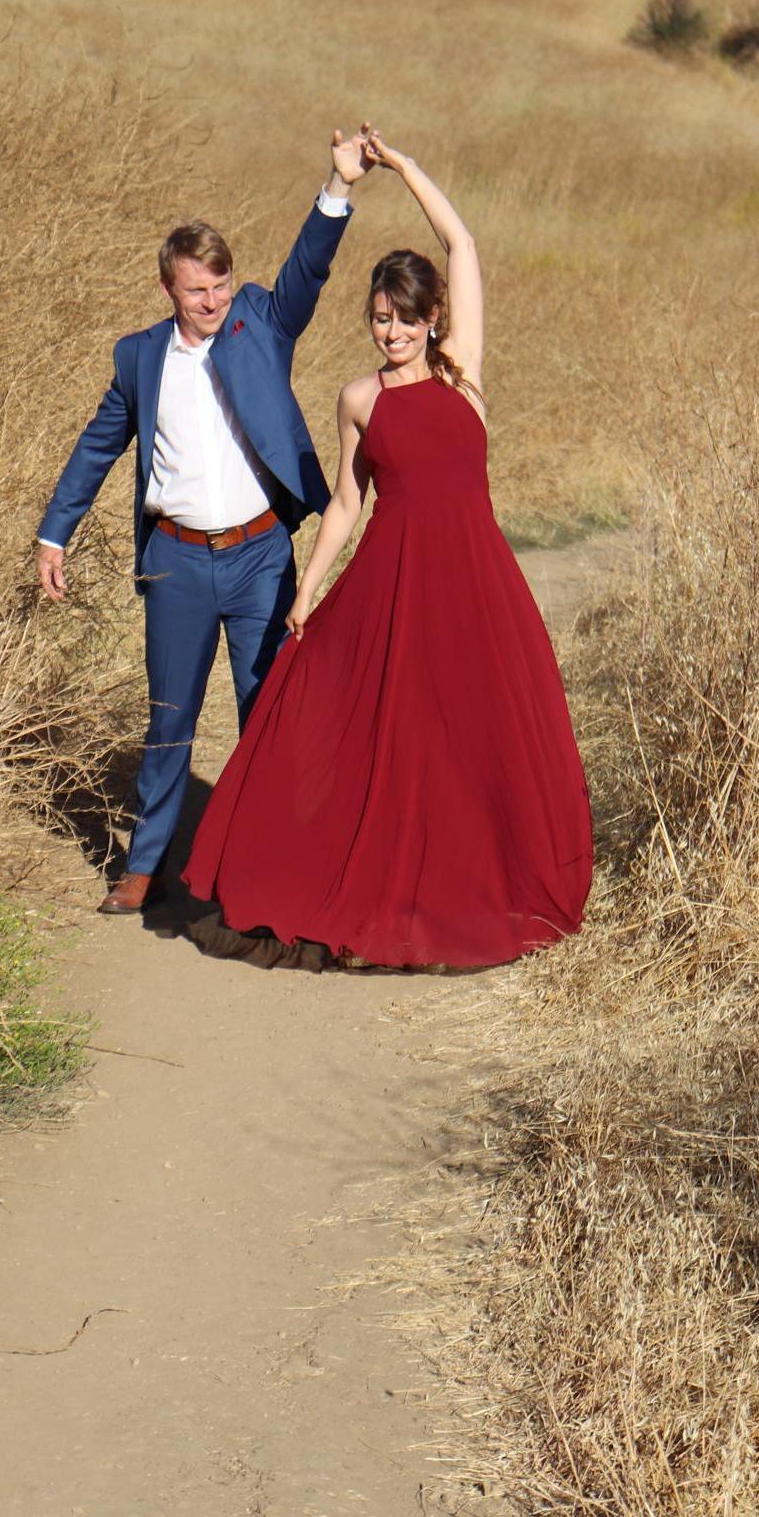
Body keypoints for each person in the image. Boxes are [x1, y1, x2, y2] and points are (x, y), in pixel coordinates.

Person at [179, 127, 594, 969]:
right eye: (379, 319)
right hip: (393, 585)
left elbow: (462, 242)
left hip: (475, 582)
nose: (391, 332)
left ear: (431, 317)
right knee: (383, 736)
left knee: (481, 735)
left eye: (405, 319)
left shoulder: (462, 372)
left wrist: (400, 168)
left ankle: (484, 878)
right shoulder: (358, 398)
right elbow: (343, 503)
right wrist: (307, 594)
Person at [36, 130, 372, 914]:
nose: (213, 299)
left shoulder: (262, 321)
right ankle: (144, 868)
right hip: (178, 563)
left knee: (268, 714)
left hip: (261, 557)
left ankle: (268, 868)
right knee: (170, 721)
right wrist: (56, 531)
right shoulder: (139, 359)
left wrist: (338, 186)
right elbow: (96, 449)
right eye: (197, 290)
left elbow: (307, 272)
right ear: (169, 291)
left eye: (220, 283)